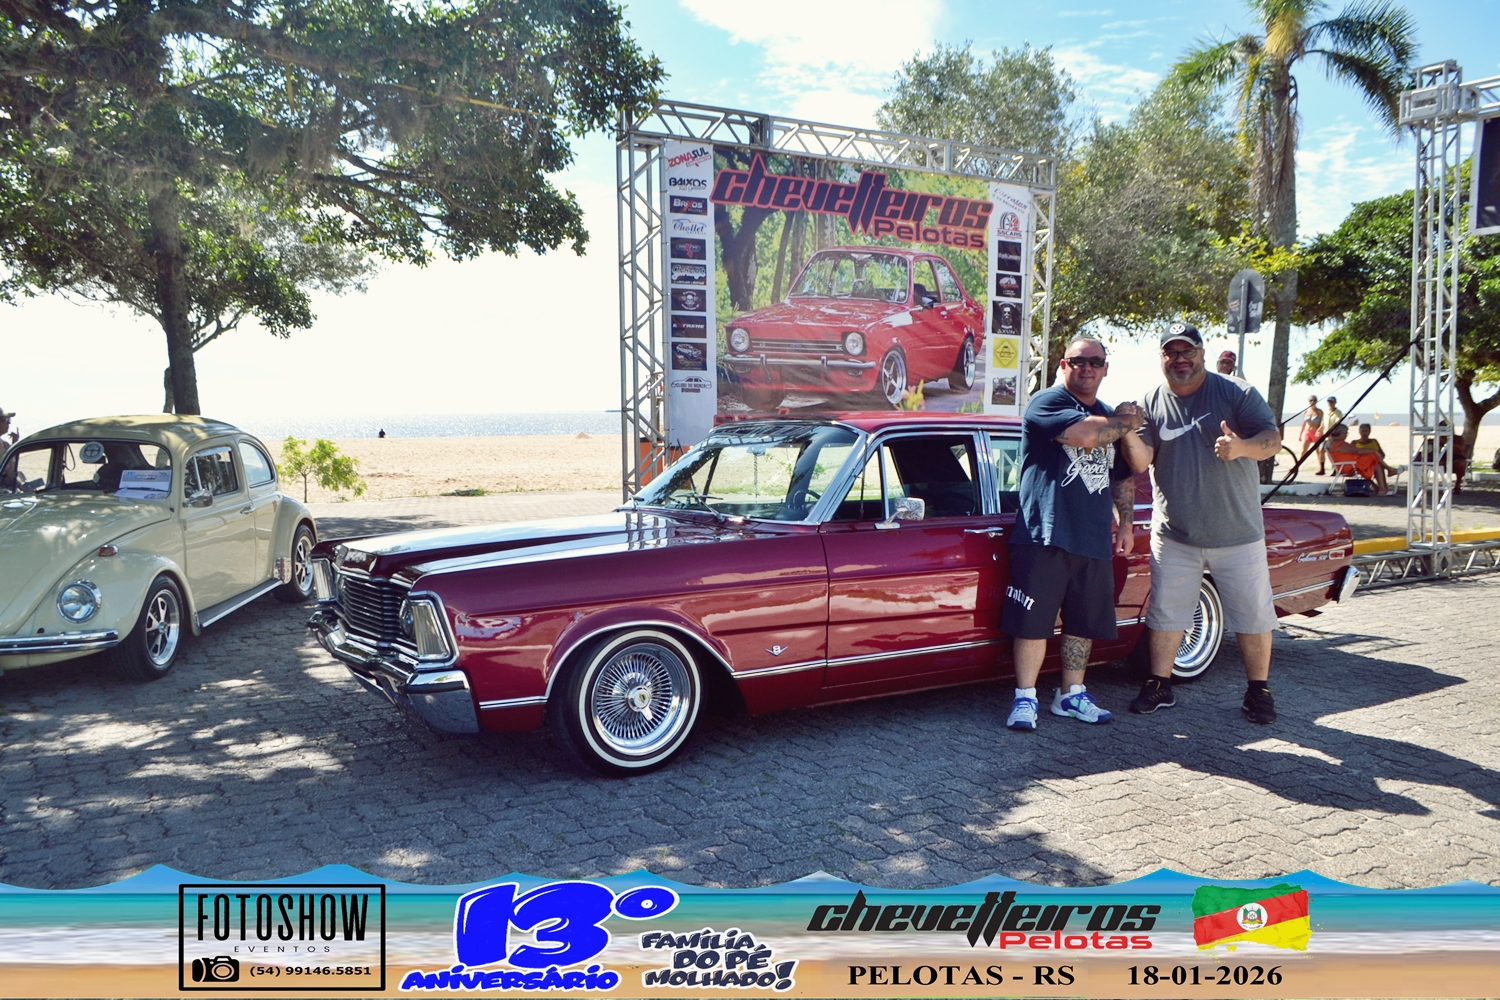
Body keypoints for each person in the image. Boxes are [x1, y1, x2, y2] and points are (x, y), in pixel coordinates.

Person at [1120, 322, 1284, 725]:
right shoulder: (1151, 402)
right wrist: (1126, 430)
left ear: (1202, 353)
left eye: (1187, 351)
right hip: (1175, 535)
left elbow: (1272, 440)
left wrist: (1241, 447)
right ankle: (1159, 684)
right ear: (1162, 358)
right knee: (1166, 613)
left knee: (1253, 615)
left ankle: (1258, 691)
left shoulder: (1236, 392)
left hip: (1238, 533)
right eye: (1171, 352)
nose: (1180, 359)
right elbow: (1141, 462)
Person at [1002, 336, 1144, 731]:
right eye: (1078, 361)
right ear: (1063, 365)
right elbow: (1084, 435)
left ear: (1105, 369)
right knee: (1033, 622)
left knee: (1082, 623)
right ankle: (1025, 698)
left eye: (1095, 362)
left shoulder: (1110, 417)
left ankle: (1071, 695)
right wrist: (1127, 422)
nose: (1087, 368)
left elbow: (1126, 473)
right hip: (1043, 534)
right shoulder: (1047, 402)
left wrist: (1126, 523)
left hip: (1093, 536)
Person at [1351, 423, 1398, 495]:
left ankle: (1382, 488)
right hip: (1362, 463)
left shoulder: (1374, 441)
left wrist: (1379, 457)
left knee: (1377, 464)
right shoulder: (1355, 442)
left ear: (1369, 431)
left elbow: (1382, 454)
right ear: (1359, 432)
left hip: (1374, 462)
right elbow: (1353, 454)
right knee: (1375, 460)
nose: (1364, 433)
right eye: (1362, 431)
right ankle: (1388, 473)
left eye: (1366, 431)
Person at [1317, 396, 1343, 475]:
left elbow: (1337, 423)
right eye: (1329, 402)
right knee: (1321, 450)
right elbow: (1323, 422)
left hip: (1334, 436)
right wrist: (1319, 430)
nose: (1330, 403)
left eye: (1332, 402)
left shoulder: (1338, 413)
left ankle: (1335, 469)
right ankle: (1322, 469)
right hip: (1325, 435)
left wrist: (1333, 433)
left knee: (1333, 453)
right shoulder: (1326, 412)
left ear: (1335, 402)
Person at [1298, 396, 1324, 470]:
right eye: (1311, 400)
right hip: (1307, 432)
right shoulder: (1306, 411)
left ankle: (1321, 468)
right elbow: (1304, 424)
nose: (1312, 402)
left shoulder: (1319, 411)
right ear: (1308, 401)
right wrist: (1300, 434)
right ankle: (1297, 466)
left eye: (1314, 400)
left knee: (1318, 451)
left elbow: (1322, 423)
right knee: (1303, 450)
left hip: (1316, 432)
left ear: (1316, 401)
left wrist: (1319, 431)